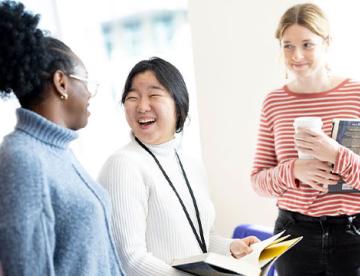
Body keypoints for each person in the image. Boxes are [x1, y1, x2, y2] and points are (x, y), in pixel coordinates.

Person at [98, 57, 259, 275]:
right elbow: (129, 259)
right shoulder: (123, 165)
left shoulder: (191, 164)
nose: (142, 106)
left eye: (154, 95)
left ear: (178, 104)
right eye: (132, 97)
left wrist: (231, 248)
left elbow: (202, 239)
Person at [0, 1, 124, 275]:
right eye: (87, 82)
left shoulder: (59, 151)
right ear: (61, 82)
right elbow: (27, 269)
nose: (90, 94)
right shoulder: (22, 157)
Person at [251, 3, 360, 276]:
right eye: (287, 45)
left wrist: (337, 155)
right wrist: (294, 171)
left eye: (307, 44)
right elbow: (258, 182)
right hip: (292, 234)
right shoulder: (274, 102)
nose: (296, 55)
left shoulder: (355, 95)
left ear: (327, 43)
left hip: (353, 234)